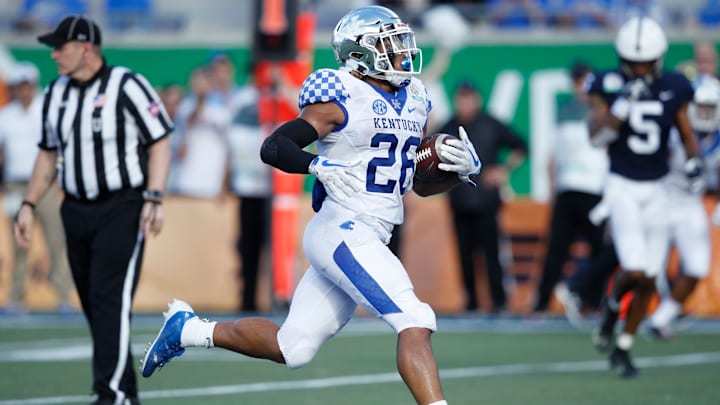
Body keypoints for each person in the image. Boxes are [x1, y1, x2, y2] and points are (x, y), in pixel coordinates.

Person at [141, 6, 483, 405]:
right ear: (361, 52)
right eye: (391, 43)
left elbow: (418, 187)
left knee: (293, 347)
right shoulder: (342, 94)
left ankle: (188, 330)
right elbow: (275, 146)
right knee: (415, 318)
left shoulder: (416, 99)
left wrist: (457, 172)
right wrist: (316, 164)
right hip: (343, 229)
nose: (403, 51)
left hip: (373, 231)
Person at [13, 16, 172, 404]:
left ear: (85, 47)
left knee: (108, 302)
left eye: (59, 47)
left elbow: (160, 142)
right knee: (94, 305)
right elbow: (48, 154)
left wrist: (154, 196)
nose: (52, 54)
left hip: (122, 207)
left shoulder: (127, 85)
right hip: (76, 210)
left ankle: (111, 394)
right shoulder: (56, 94)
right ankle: (124, 393)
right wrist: (29, 203)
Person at [586, 16, 702, 378]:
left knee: (651, 278)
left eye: (645, 62)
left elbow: (685, 129)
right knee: (635, 269)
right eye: (632, 62)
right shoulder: (608, 84)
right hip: (621, 185)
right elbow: (595, 136)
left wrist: (695, 159)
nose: (638, 68)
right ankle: (609, 307)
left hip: (659, 188)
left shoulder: (675, 85)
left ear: (659, 59)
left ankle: (623, 348)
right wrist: (619, 108)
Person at [437, 81, 528, 313]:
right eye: (461, 98)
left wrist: (503, 170)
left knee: (491, 254)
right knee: (465, 256)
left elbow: (521, 146)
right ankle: (471, 302)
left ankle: (498, 302)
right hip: (460, 201)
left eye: (469, 98)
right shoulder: (448, 126)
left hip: (487, 202)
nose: (465, 104)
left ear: (477, 100)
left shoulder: (491, 124)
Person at [532, 61, 611, 318]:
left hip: (594, 190)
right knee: (556, 250)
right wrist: (554, 189)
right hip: (568, 190)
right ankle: (541, 305)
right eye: (577, 81)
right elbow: (554, 156)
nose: (581, 87)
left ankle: (593, 302)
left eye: (584, 80)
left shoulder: (605, 113)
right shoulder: (566, 112)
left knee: (599, 250)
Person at [647, 76, 720, 339]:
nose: (704, 114)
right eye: (700, 107)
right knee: (651, 266)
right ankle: (628, 311)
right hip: (663, 199)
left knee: (698, 266)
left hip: (690, 205)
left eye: (710, 108)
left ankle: (663, 315)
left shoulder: (718, 139)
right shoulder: (674, 131)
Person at [0, 61, 75, 314]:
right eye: (19, 86)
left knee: (56, 239)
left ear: (33, 87)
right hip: (15, 184)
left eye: (27, 86)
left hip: (44, 183)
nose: (24, 91)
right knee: (18, 241)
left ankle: (63, 295)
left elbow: (59, 148)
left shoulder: (46, 110)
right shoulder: (6, 115)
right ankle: (17, 297)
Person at [226, 68, 272, 312]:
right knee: (248, 248)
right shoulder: (243, 99)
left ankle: (278, 296)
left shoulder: (277, 95)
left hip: (274, 189)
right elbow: (231, 137)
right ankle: (248, 300)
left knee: (275, 248)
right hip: (248, 186)